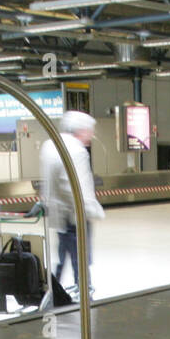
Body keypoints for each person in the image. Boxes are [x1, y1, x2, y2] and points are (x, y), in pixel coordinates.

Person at [40, 110, 104, 295]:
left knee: (63, 254)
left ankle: (54, 288)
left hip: (58, 215)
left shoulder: (50, 145)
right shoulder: (76, 150)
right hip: (74, 215)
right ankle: (83, 289)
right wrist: (93, 210)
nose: (91, 135)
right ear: (81, 130)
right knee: (81, 256)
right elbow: (77, 187)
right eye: (90, 131)